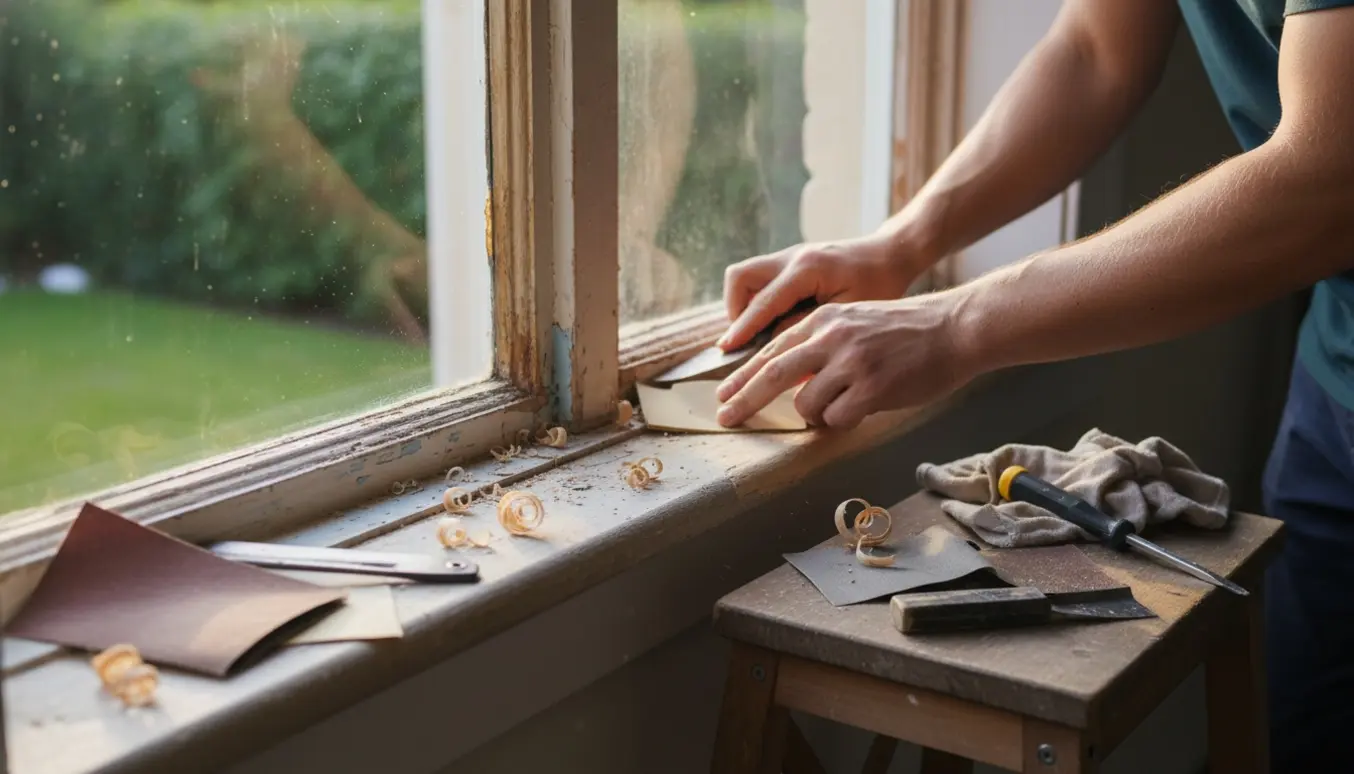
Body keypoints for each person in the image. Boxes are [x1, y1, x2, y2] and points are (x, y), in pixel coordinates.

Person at [713, 1, 1354, 770]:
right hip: (1335, 386)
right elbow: (1095, 48)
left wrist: (955, 327)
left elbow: (1329, 181)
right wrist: (902, 245)